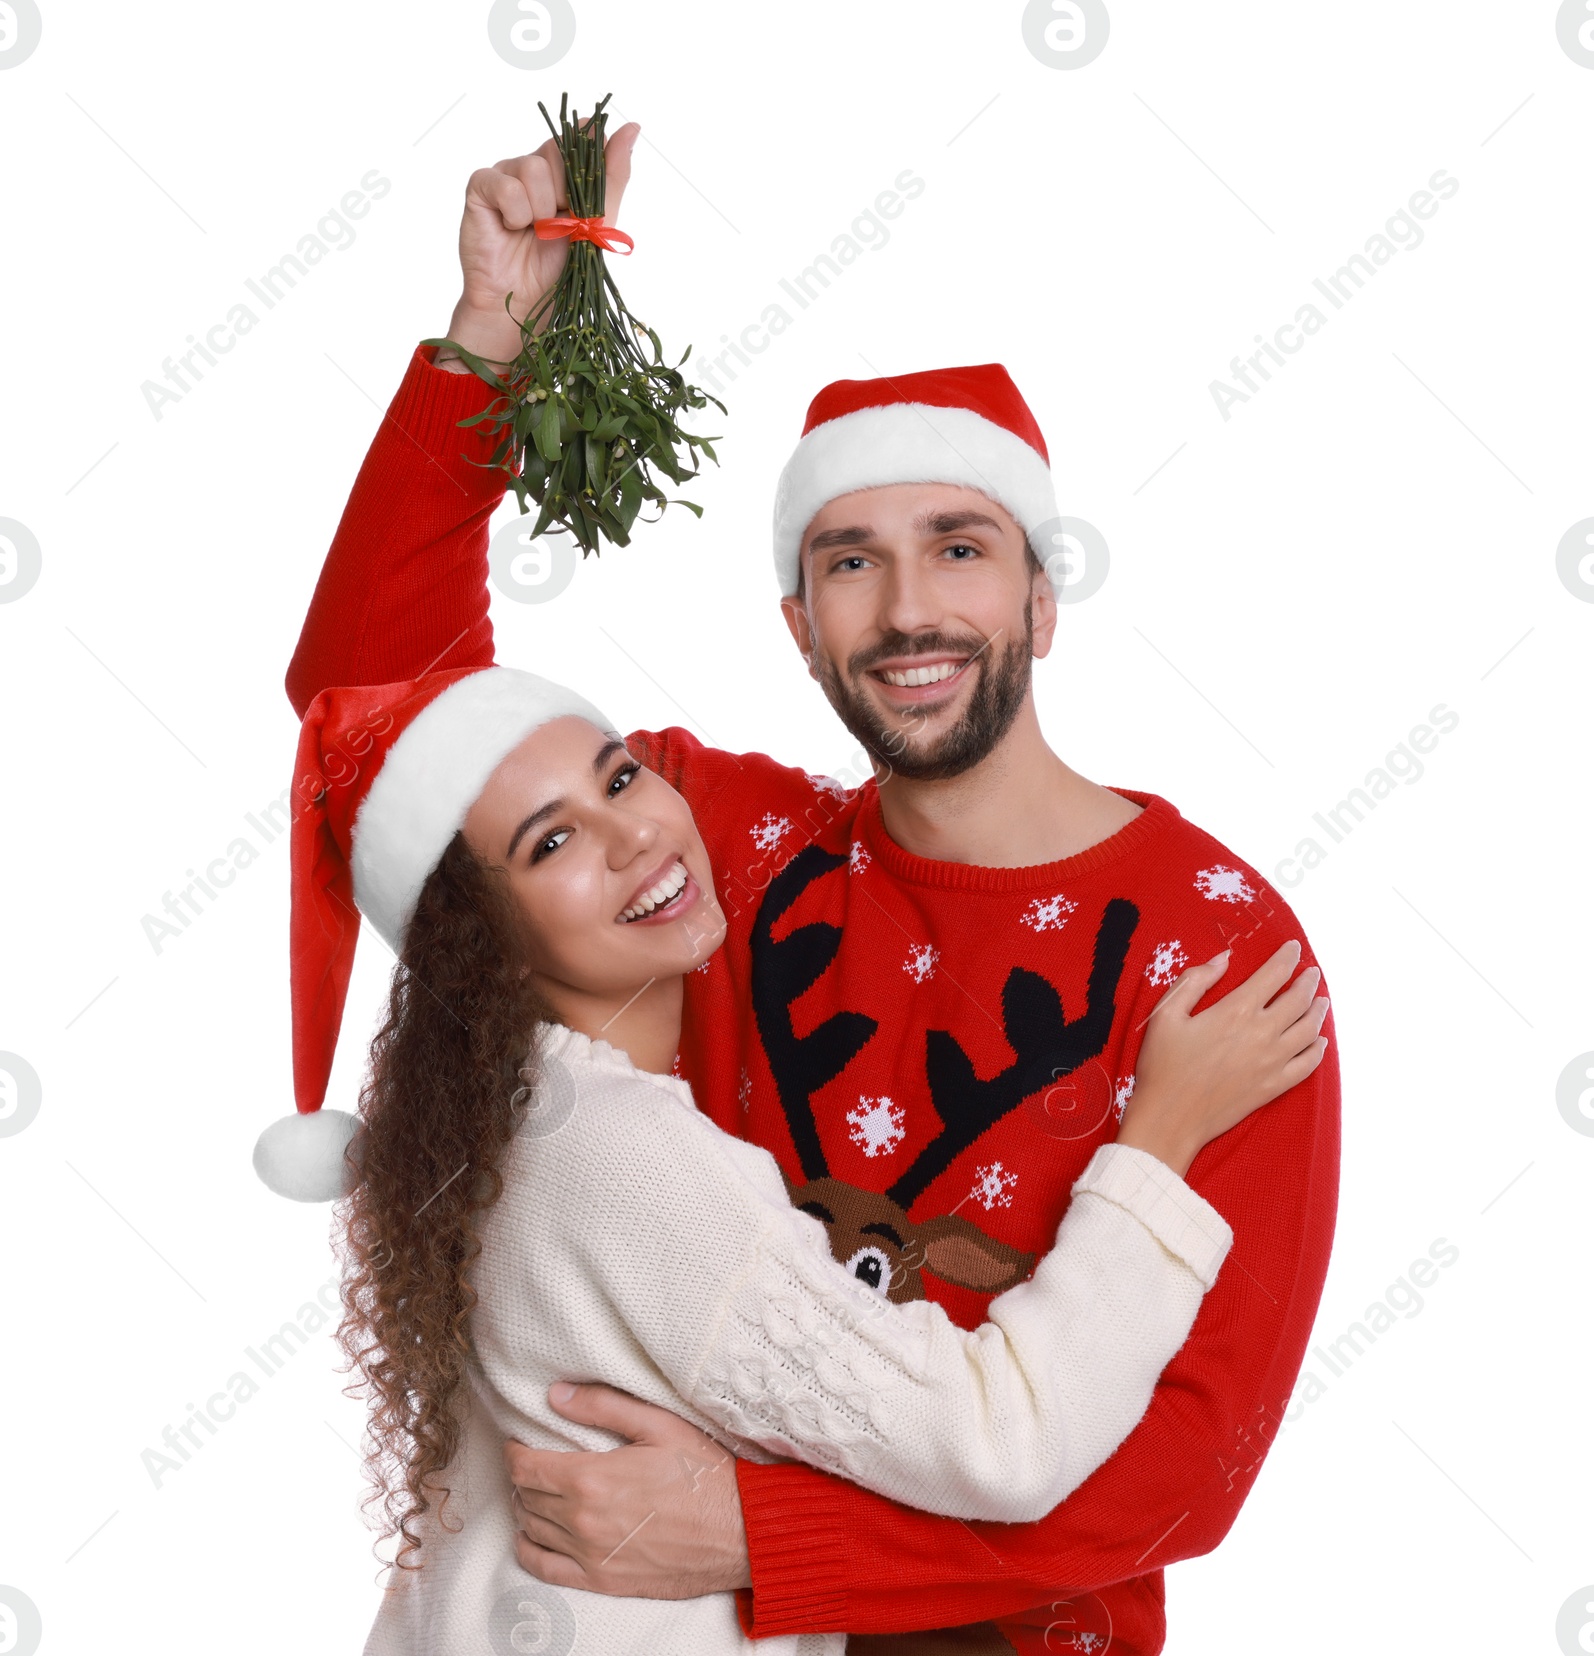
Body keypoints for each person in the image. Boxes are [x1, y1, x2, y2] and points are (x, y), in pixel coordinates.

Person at [284, 118, 1341, 1655]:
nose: (910, 609)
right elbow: (381, 728)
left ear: (1044, 595)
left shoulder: (1216, 950)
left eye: (961, 548)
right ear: (797, 622)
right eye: (851, 561)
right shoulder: (710, 853)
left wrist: (769, 1536)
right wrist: (488, 347)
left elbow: (1196, 1468)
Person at [251, 665, 1328, 1656]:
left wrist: (755, 1530)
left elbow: (375, 694)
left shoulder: (517, 1122)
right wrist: (1159, 1142)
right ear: (476, 941)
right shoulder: (621, 1155)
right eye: (550, 844)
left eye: (621, 777)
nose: (630, 836)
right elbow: (1003, 1440)